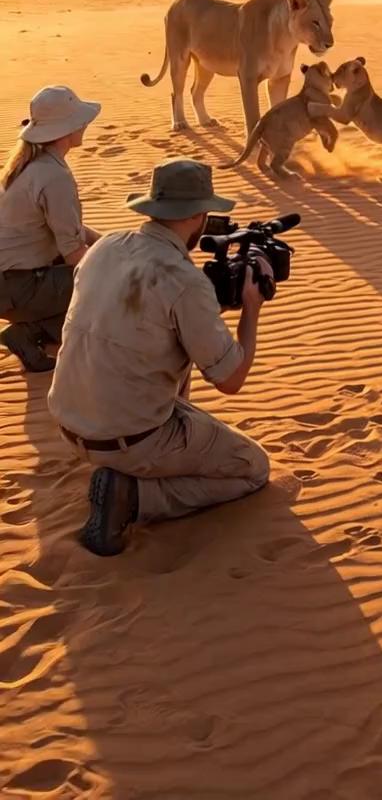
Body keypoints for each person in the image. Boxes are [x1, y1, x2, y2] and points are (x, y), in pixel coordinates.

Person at [48, 159, 272, 556]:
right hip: (127, 440)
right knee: (253, 467)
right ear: (199, 216)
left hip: (69, 422)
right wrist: (251, 307)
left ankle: (137, 469)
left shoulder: (104, 247)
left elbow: (144, 321)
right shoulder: (184, 280)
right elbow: (231, 380)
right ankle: (134, 497)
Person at [0, 85, 101, 373]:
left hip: (10, 283)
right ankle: (34, 332)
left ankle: (32, 329)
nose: (84, 125)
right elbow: (74, 255)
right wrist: (117, 263)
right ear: (66, 130)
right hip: (17, 287)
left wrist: (108, 242)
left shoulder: (28, 164)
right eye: (79, 121)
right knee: (106, 284)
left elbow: (69, 229)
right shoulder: (54, 176)